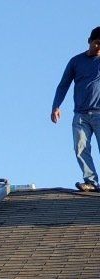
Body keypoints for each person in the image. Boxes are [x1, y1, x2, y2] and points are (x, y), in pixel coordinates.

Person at [53, 27, 100, 191]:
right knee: (80, 147)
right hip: (80, 114)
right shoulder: (76, 61)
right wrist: (56, 106)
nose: (99, 48)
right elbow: (63, 84)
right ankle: (91, 181)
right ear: (90, 41)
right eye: (97, 43)